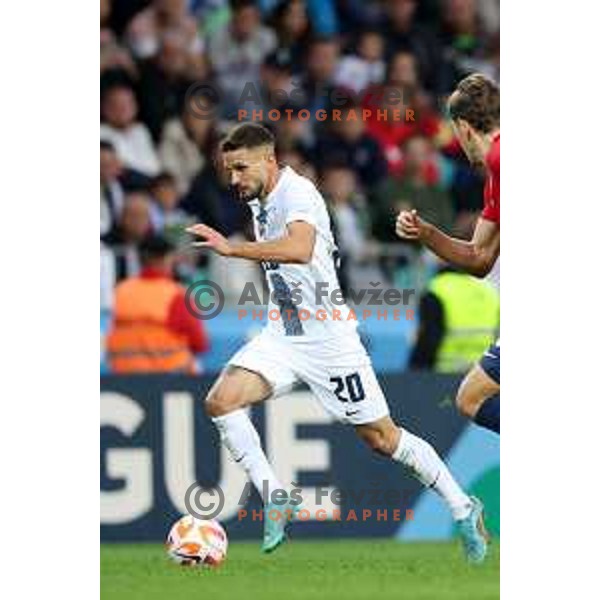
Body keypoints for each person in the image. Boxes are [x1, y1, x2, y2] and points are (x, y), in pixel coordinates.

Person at [186, 122, 489, 562]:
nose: (234, 179)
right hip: (283, 334)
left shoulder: (298, 193)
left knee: (383, 439)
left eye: (241, 168)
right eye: (229, 170)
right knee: (221, 400)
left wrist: (234, 251)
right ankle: (277, 497)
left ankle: (463, 508)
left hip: (329, 341)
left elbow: (300, 249)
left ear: (269, 160)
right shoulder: (260, 197)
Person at [396, 73, 500, 434]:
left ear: (463, 128)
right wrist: (425, 232)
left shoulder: (503, 159)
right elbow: (478, 258)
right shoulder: (494, 177)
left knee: (472, 397)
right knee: (470, 397)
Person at [106, 234, 209, 373]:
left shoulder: (120, 291)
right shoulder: (176, 294)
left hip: (122, 374)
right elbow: (200, 344)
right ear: (165, 259)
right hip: (167, 378)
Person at [410, 263, 499, 372]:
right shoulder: (488, 290)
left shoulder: (436, 290)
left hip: (444, 374)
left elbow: (428, 340)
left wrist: (413, 371)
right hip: (481, 375)